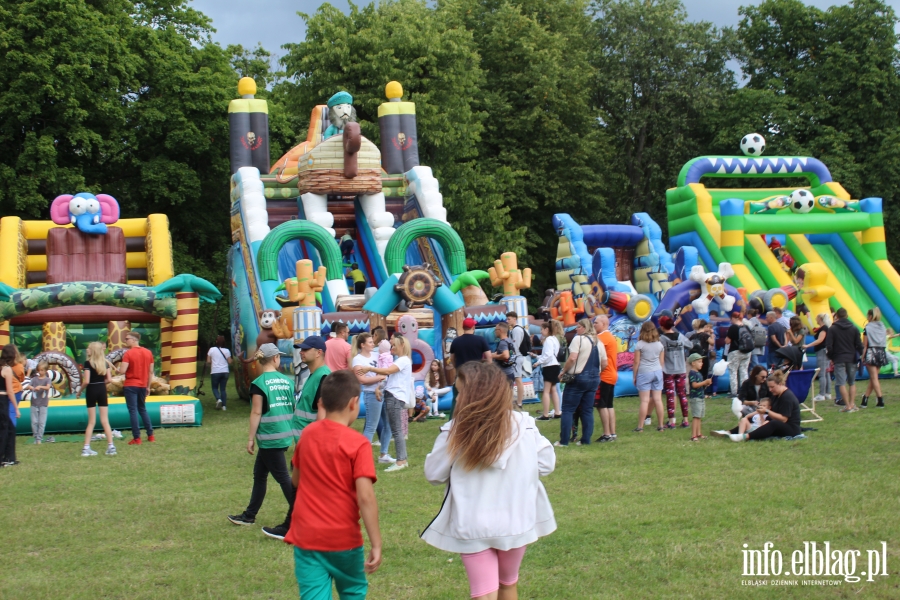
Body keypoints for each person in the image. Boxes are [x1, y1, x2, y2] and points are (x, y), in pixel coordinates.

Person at [422, 361, 556, 600]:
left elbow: (434, 474)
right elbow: (546, 464)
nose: (458, 398)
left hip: (473, 523)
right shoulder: (524, 425)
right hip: (517, 519)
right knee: (508, 585)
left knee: (484, 593)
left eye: (460, 392)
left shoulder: (454, 432)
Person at [285, 369, 382, 599]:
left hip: (307, 537)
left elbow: (295, 480)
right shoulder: (358, 444)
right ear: (353, 403)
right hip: (343, 539)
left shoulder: (307, 435)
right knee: (352, 592)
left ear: (322, 402)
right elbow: (365, 497)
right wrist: (376, 544)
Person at [227, 344, 296, 540]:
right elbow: (293, 406)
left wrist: (250, 438)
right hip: (284, 434)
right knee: (260, 474)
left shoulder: (258, 383)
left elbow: (257, 411)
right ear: (275, 359)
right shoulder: (287, 381)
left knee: (283, 477)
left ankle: (301, 514)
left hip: (268, 437)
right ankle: (249, 515)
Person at [362, 336, 413, 472]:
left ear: (402, 344)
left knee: (396, 430)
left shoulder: (403, 360)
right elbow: (390, 376)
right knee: (395, 429)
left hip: (395, 397)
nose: (392, 348)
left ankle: (401, 461)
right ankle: (401, 459)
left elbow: (387, 371)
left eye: (394, 345)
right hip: (393, 396)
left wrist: (369, 369)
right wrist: (380, 388)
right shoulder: (401, 360)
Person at [716, 370, 802, 441]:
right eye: (769, 387)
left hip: (791, 428)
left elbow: (783, 419)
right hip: (779, 423)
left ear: (780, 384)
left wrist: (767, 411)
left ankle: (746, 437)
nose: (770, 390)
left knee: (773, 423)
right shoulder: (776, 395)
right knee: (752, 417)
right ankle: (729, 432)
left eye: (772, 387)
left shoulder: (787, 397)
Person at [557, 318, 604, 446]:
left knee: (567, 409)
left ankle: (564, 441)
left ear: (584, 328)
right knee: (587, 410)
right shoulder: (598, 341)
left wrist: (564, 371)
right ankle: (586, 440)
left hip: (578, 377)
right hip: (594, 378)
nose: (576, 329)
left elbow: (572, 357)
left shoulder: (578, 339)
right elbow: (604, 362)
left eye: (578, 327)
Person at [118, 331, 155, 445]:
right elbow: (150, 371)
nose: (125, 340)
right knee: (142, 409)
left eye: (127, 339)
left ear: (134, 340)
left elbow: (122, 371)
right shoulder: (148, 353)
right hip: (142, 385)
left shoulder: (128, 354)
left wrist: (117, 370)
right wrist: (148, 386)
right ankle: (150, 435)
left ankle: (137, 438)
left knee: (133, 411)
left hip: (131, 385)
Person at [79, 343, 115, 456]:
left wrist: (79, 391)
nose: (87, 350)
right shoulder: (104, 363)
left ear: (93, 351)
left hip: (91, 390)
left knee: (91, 421)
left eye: (89, 348)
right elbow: (109, 379)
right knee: (105, 420)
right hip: (102, 390)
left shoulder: (87, 363)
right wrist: (101, 383)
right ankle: (111, 446)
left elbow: (86, 381)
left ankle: (86, 448)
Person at [351, 332, 387, 442]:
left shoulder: (377, 355)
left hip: (383, 391)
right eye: (370, 342)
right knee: (371, 426)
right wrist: (380, 376)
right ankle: (363, 453)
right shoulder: (358, 359)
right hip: (371, 394)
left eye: (373, 342)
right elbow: (362, 380)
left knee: (387, 425)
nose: (373, 344)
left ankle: (383, 454)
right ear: (362, 345)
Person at [293, 336, 331, 438]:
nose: (301, 352)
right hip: (306, 440)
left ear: (319, 352)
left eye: (305, 349)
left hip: (312, 441)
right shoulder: (315, 374)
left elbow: (324, 413)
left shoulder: (323, 376)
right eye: (301, 349)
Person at [826, 307, 862, 411]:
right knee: (852, 382)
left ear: (836, 316)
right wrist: (859, 355)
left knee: (841, 383)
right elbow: (859, 345)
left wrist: (831, 357)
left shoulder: (832, 329)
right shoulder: (854, 328)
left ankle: (847, 405)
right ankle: (852, 403)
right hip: (851, 358)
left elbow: (829, 345)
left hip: (839, 358)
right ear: (847, 315)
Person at [658, 315, 691, 429]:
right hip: (681, 369)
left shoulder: (662, 339)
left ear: (662, 326)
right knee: (683, 394)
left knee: (670, 395)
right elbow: (690, 345)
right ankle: (686, 420)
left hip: (668, 370)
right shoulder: (680, 337)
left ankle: (672, 421)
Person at [633, 321, 665, 432]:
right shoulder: (660, 344)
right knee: (658, 399)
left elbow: (636, 362)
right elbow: (662, 361)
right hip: (657, 371)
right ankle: (661, 425)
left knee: (644, 401)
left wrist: (634, 376)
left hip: (644, 372)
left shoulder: (640, 344)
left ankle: (640, 426)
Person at [593, 315, 618, 442]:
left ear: (603, 324)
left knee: (601, 405)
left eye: (596, 323)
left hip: (604, 375)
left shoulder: (601, 338)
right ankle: (612, 433)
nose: (594, 325)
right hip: (612, 374)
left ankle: (606, 434)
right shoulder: (610, 337)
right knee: (609, 405)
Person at [532, 322, 560, 421]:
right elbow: (551, 354)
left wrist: (538, 362)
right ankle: (557, 412)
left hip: (549, 366)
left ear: (546, 329)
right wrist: (537, 356)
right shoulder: (554, 339)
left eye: (541, 329)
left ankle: (545, 414)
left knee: (546, 391)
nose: (540, 332)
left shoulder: (548, 340)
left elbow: (548, 355)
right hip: (555, 365)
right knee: (553, 390)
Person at [861, 306, 887, 409]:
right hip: (881, 351)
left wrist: (862, 356)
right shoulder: (882, 326)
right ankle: (865, 399)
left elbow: (865, 344)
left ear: (870, 316)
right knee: (874, 377)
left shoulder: (867, 327)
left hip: (871, 352)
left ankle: (880, 399)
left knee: (874, 377)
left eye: (868, 315)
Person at [802, 313, 831, 402]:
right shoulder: (824, 328)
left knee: (822, 373)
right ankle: (827, 393)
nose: (816, 319)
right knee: (826, 373)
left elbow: (820, 340)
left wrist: (808, 345)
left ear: (820, 319)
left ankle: (822, 394)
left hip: (821, 352)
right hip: (824, 352)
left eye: (817, 318)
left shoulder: (824, 329)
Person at [725, 311, 752, 396]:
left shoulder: (733, 327)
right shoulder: (747, 327)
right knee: (744, 371)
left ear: (733, 318)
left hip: (735, 351)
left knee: (733, 372)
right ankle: (744, 392)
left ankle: (734, 393)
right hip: (747, 352)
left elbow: (727, 341)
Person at [0, 345, 18, 467]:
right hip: (2, 400)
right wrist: (16, 408)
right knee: (4, 430)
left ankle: (10, 457)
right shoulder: (7, 369)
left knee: (10, 428)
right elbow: (10, 391)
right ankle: (3, 458)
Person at [687, 353, 711, 441]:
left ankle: (699, 433)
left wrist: (706, 384)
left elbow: (700, 386)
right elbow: (694, 385)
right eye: (699, 362)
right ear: (693, 363)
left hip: (700, 397)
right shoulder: (692, 373)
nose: (702, 363)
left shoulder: (699, 374)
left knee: (699, 416)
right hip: (695, 398)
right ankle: (693, 436)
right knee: (696, 416)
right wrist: (705, 382)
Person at [506, 312, 527, 408]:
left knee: (518, 379)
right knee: (517, 379)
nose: (507, 321)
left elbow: (515, 345)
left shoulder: (517, 330)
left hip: (517, 357)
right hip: (517, 357)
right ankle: (517, 401)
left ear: (515, 319)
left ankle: (519, 402)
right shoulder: (515, 329)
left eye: (509, 319)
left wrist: (511, 355)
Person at [207, 335, 233, 411]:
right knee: (223, 389)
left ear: (216, 341)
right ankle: (224, 406)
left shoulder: (211, 349)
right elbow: (230, 361)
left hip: (215, 371)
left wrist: (214, 363)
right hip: (225, 371)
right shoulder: (227, 350)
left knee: (214, 387)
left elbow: (208, 361)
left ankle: (218, 399)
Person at [29, 361, 52, 446]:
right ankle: (36, 437)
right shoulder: (34, 379)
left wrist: (40, 387)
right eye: (39, 370)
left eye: (42, 370)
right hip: (34, 403)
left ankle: (39, 438)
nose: (40, 372)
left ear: (46, 370)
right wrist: (33, 388)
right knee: (34, 422)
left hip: (43, 404)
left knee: (42, 422)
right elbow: (29, 386)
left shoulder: (47, 379)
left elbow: (48, 387)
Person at [492, 322, 517, 390]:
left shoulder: (503, 342)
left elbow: (506, 356)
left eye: (495, 330)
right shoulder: (509, 341)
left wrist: (493, 356)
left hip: (504, 374)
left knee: (503, 396)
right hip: (510, 372)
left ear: (500, 330)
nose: (495, 332)